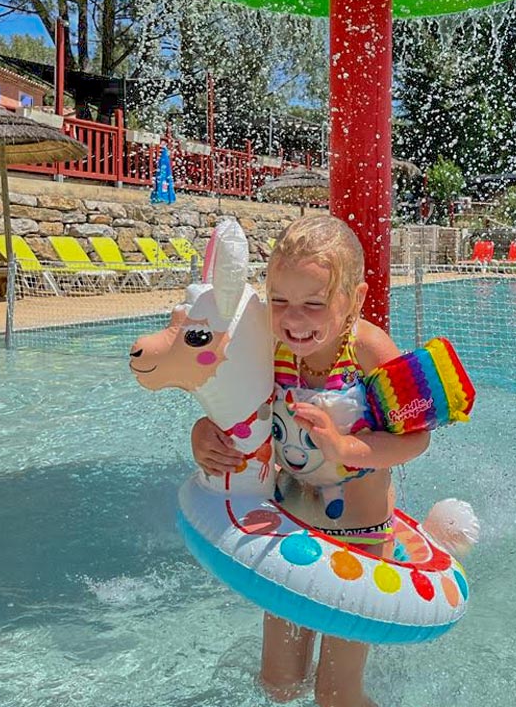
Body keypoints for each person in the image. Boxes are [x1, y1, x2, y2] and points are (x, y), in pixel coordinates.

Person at [191, 215, 430, 707]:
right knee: (279, 686)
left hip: (360, 537)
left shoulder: (368, 349)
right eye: (279, 300)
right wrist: (204, 433)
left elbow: (416, 440)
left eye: (313, 304)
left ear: (355, 299)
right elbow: (233, 408)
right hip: (291, 526)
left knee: (336, 694)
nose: (293, 319)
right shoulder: (267, 343)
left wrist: (348, 450)